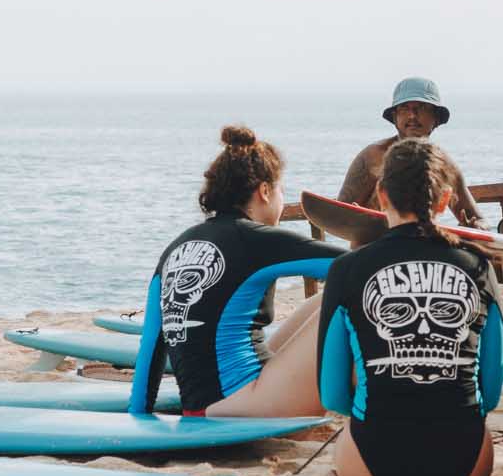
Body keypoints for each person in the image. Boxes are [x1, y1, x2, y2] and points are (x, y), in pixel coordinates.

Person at [316, 138, 503, 476]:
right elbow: (492, 391)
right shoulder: (478, 265)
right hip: (466, 467)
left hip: (370, 462)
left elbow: (332, 394)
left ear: (381, 195)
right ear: (445, 200)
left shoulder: (347, 268)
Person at [130, 125, 344, 419]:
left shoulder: (174, 248)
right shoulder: (256, 239)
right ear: (265, 191)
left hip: (197, 408)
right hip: (250, 404)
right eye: (281, 190)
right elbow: (358, 266)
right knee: (346, 298)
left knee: (321, 301)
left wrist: (139, 417)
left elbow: (152, 347)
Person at [338, 77, 482, 226]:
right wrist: (359, 221)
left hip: (422, 239)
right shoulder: (373, 156)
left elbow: (479, 220)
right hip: (373, 241)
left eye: (422, 108)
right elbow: (339, 215)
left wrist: (474, 227)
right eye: (404, 108)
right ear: (395, 117)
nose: (412, 115)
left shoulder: (443, 165)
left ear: (436, 117)